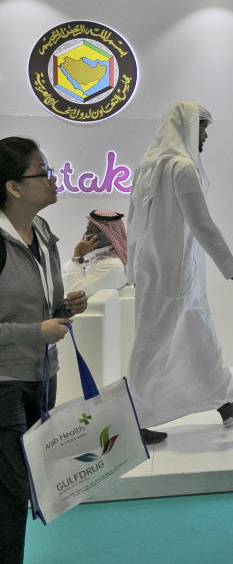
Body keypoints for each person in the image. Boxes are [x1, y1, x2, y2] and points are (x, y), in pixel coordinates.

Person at [126, 102, 233, 445]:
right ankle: (135, 419)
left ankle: (227, 402)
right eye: (202, 127)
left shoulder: (146, 165)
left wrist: (132, 266)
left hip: (158, 270)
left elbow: (133, 224)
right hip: (175, 273)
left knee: (199, 334)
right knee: (151, 346)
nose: (205, 135)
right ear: (186, 126)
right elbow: (202, 223)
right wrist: (231, 266)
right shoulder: (181, 167)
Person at [1, 137, 87, 563]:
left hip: (41, 378)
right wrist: (37, 330)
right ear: (13, 187)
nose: (54, 180)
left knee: (24, 491)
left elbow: (42, 303)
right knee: (11, 495)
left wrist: (65, 306)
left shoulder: (43, 233)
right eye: (43, 172)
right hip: (3, 384)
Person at [61, 209, 128, 295]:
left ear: (106, 236)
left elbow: (72, 294)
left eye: (90, 231)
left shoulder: (112, 265)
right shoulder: (96, 255)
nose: (85, 235)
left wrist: (77, 256)